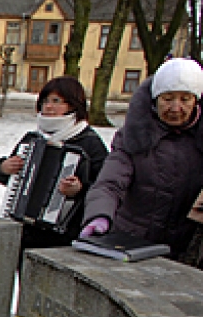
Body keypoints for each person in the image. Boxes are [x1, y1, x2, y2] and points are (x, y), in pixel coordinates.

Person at [81, 58, 203, 263]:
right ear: (154, 99)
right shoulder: (133, 136)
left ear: (196, 101)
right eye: (168, 98)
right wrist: (99, 216)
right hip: (131, 245)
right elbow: (109, 184)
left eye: (185, 99)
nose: (175, 108)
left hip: (186, 252)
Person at [0, 76, 109, 255]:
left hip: (67, 235)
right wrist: (3, 167)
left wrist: (79, 189)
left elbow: (105, 187)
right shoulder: (32, 139)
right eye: (45, 101)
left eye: (56, 101)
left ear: (72, 105)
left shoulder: (89, 142)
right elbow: (8, 178)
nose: (48, 106)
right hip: (25, 230)